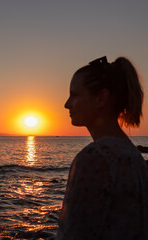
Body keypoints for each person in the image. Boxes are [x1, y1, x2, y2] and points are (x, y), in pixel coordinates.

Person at [56, 56, 148, 240]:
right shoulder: (133, 156)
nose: (66, 104)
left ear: (101, 98)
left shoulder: (96, 157)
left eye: (74, 95)